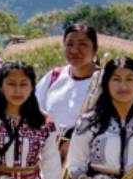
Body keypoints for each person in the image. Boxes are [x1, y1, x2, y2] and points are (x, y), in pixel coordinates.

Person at [35, 22, 101, 150]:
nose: (75, 50)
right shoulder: (54, 76)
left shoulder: (105, 81)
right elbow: (33, 110)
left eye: (83, 44)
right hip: (50, 155)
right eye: (69, 44)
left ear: (95, 49)